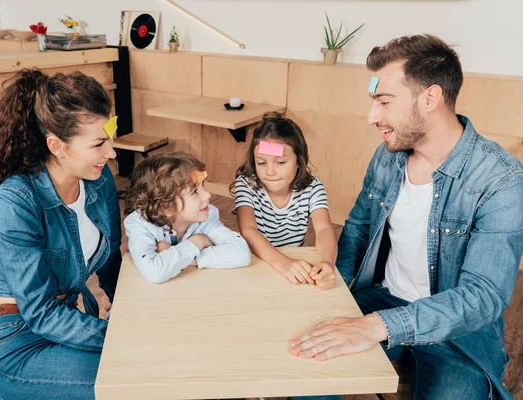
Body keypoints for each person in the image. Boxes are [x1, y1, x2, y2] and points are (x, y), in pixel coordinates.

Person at [289, 34, 523, 399]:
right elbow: (359, 226)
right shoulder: (388, 156)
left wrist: (376, 327)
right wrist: (336, 275)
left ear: (430, 98)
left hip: (458, 333)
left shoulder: (501, 180)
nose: (372, 117)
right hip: (383, 299)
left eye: (383, 102)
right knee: (307, 367)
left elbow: (482, 297)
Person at [0, 69, 122, 399]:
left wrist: (130, 311)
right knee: (137, 379)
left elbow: (111, 259)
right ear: (57, 145)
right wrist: (122, 336)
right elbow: (40, 313)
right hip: (16, 340)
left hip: (67, 323)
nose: (112, 152)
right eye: (98, 143)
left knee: (159, 364)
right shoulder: (15, 202)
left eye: (111, 135)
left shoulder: (99, 178)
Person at [232, 112, 336, 290]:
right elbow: (248, 231)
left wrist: (327, 264)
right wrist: (283, 264)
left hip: (292, 267)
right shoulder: (246, 184)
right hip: (257, 263)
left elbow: (324, 229)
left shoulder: (312, 187)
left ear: (299, 161)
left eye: (280, 163)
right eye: (262, 163)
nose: (270, 172)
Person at [123, 151, 251, 283]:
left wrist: (191, 259)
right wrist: (197, 242)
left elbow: (241, 253)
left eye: (203, 186)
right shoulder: (139, 224)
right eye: (195, 191)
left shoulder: (206, 217)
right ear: (166, 206)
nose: (207, 195)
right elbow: (154, 272)